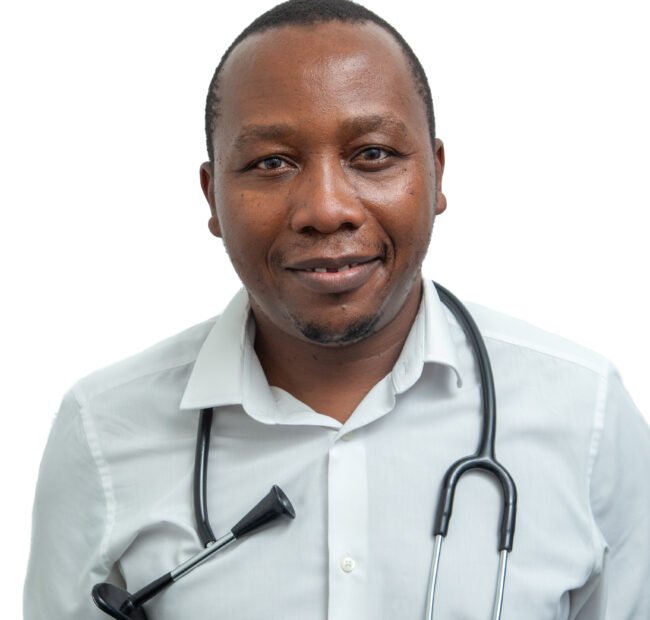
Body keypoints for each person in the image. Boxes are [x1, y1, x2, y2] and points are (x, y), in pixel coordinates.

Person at [24, 0, 649, 618]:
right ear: (212, 197)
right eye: (272, 163)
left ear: (436, 174)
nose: (326, 209)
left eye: (372, 154)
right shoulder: (104, 430)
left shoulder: (586, 416)